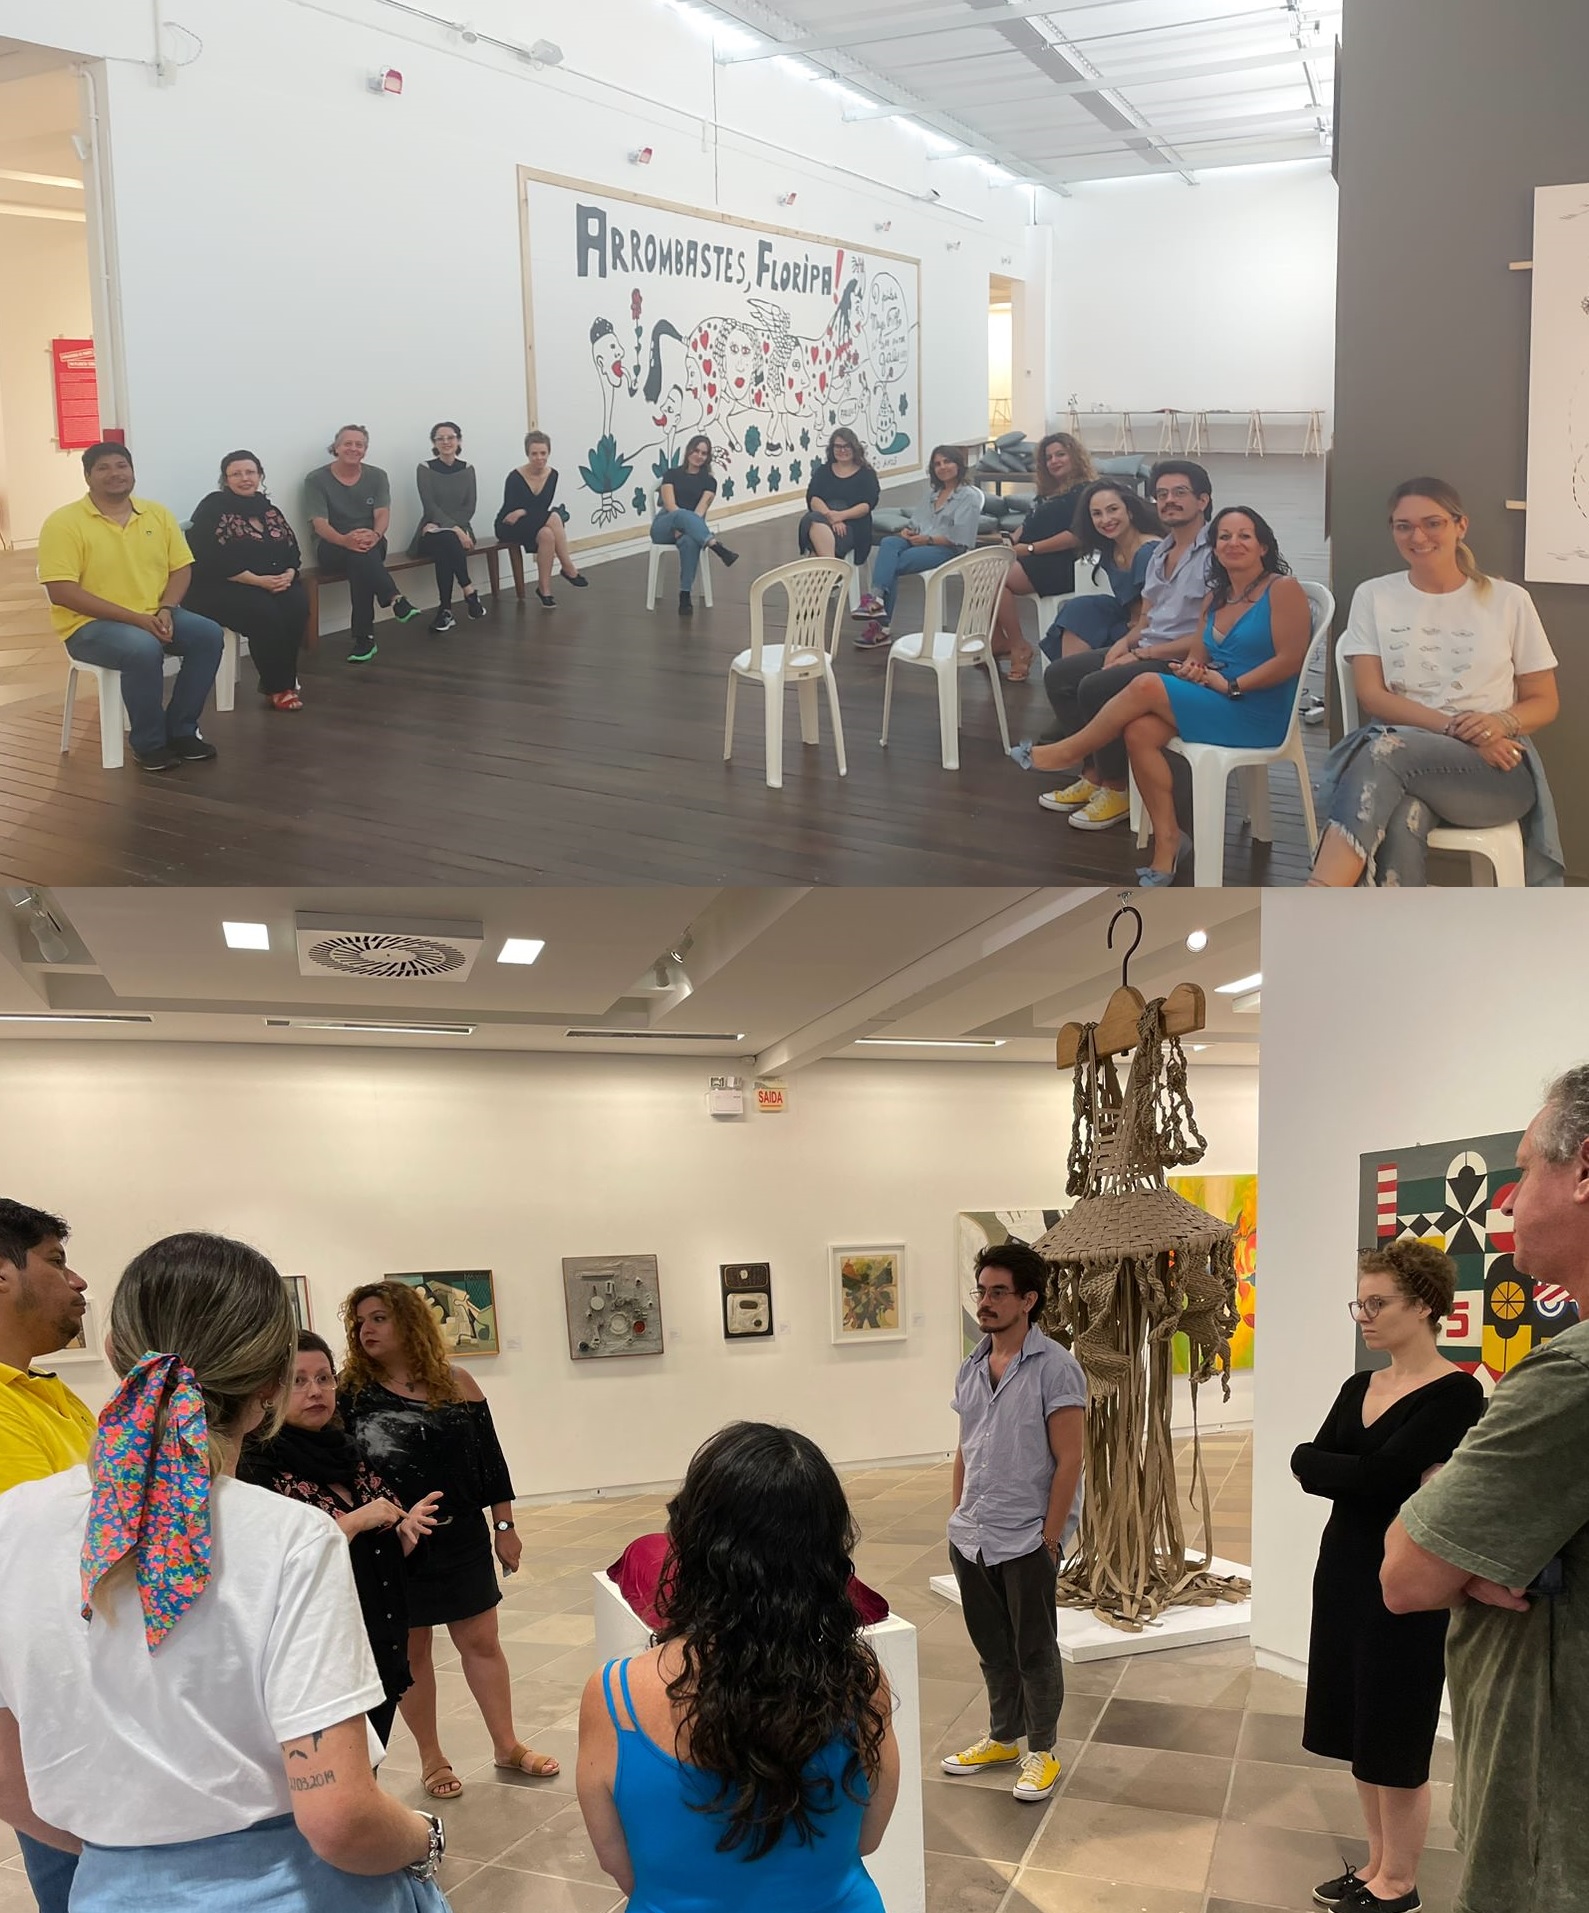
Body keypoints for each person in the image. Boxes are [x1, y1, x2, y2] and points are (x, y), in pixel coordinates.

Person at [0, 1232, 448, 1912]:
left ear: (116, 1354)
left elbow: (12, 1783)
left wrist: (134, 1863)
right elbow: (340, 1818)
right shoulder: (291, 1539)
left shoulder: (12, 1523)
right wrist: (425, 1836)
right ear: (271, 1385)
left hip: (111, 1889)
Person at [1382, 1067, 1589, 1913]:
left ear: (1583, 1170)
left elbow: (1405, 1573)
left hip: (1550, 1816)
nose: (1506, 1197)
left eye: (1525, 1167)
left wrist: (1452, 1538)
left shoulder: (1570, 1377)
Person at [576, 1421, 899, 1912]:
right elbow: (868, 1839)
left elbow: (619, 1866)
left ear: (689, 1541)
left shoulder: (614, 1695)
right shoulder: (859, 1682)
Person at [1292, 1242, 1484, 1913]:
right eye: (1360, 1303)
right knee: (1356, 1725)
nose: (1365, 1316)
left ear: (1424, 1305)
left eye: (1378, 1302)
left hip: (1405, 1579)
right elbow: (1308, 1463)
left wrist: (1341, 1468)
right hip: (1342, 1570)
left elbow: (1354, 1471)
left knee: (1394, 1729)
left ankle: (1398, 1882)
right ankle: (1374, 1865)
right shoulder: (1358, 1387)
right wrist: (1360, 1471)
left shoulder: (1457, 1393)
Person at [1014, 505, 1311, 885]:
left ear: (1263, 546)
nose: (1233, 543)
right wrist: (1193, 670)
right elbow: (1198, 656)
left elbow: (1290, 660)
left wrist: (1234, 685)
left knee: (1146, 684)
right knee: (1138, 730)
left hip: (1257, 709)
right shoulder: (1217, 598)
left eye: (1244, 536)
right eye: (1224, 536)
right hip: (1218, 696)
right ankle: (1168, 841)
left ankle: (1070, 751)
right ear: (1215, 547)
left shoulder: (1282, 589)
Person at [339, 1282, 558, 1798]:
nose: (366, 1329)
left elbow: (491, 1463)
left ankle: (506, 1745)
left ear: (409, 1322)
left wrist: (504, 1527)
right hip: (395, 1541)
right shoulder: (351, 1394)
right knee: (413, 1651)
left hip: (461, 1536)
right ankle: (432, 1758)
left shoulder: (457, 1383)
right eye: (360, 1322)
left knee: (482, 1642)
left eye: (378, 1318)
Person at [1310, 477, 1563, 886]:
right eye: (1404, 526)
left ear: (1460, 526)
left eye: (1433, 523)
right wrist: (1457, 730)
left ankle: (1319, 893)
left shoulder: (1509, 600)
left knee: (1384, 751)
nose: (1418, 536)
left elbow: (1544, 700)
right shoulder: (1373, 595)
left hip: (1494, 768)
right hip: (1408, 756)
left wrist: (1497, 724)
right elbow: (1371, 694)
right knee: (1402, 815)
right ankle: (1399, 921)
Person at [240, 1330, 443, 1746]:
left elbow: (378, 1549)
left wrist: (405, 1537)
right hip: (318, 1658)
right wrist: (353, 1523)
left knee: (371, 1760)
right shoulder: (256, 1467)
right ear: (269, 1391)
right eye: (298, 1381)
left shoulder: (348, 1452)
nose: (315, 1391)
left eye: (323, 1378)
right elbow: (275, 1566)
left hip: (377, 1643)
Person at [941, 1242, 1084, 1803]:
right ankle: (1003, 1738)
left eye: (999, 1292)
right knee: (992, 1647)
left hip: (1026, 1538)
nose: (986, 1301)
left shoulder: (1056, 1368)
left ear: (1028, 1300)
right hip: (972, 1535)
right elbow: (965, 1447)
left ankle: (1042, 1750)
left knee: (1035, 1650)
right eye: (981, 1290)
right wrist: (958, 1514)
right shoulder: (972, 1365)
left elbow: (1069, 1459)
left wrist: (1050, 1537)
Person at [1032, 458, 1215, 831]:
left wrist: (1141, 653)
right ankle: (1094, 774)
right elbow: (1146, 617)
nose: (1169, 500)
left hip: (1181, 659)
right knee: (1060, 675)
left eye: (1180, 492)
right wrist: (1124, 643)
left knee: (1095, 686)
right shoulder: (1163, 552)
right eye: (1162, 494)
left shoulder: (1213, 555)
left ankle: (1116, 787)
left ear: (1203, 500)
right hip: (1148, 644)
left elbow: (1208, 635)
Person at [0, 1200, 95, 1913]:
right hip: (53, 1731)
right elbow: (46, 1580)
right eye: (57, 1262)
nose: (79, 1280)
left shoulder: (49, 1396)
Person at [37, 441, 224, 772]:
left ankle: (181, 730)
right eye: (103, 468)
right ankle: (149, 744)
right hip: (88, 625)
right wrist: (136, 619)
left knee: (208, 635)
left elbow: (181, 567)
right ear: (88, 476)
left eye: (121, 466)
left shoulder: (157, 514)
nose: (115, 473)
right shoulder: (63, 522)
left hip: (155, 613)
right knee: (142, 647)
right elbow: (61, 591)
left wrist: (167, 608)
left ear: (133, 472)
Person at [1037, 481, 1163, 823]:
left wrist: (1127, 642)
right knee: (1078, 610)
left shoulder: (1148, 551)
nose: (1106, 520)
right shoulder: (1110, 549)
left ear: (1130, 510)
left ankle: (1108, 777)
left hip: (1152, 632)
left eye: (1112, 510)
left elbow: (1151, 618)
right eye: (1097, 514)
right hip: (1128, 619)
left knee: (1088, 682)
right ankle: (1091, 769)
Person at [186, 450, 311, 712]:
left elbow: (292, 550)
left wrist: (289, 573)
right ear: (226, 479)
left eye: (250, 472)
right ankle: (279, 687)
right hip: (220, 585)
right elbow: (206, 557)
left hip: (271, 582)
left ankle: (282, 679)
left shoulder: (269, 510)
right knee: (263, 612)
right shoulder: (213, 507)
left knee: (297, 605)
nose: (244, 478)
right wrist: (257, 581)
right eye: (236, 474)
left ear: (260, 475)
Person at [304, 426, 419, 665]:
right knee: (360, 558)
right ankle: (394, 599)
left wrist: (375, 535)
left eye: (359, 445)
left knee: (361, 557)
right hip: (331, 545)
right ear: (336, 447)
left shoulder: (377, 476)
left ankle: (365, 639)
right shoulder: (316, 479)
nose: (353, 448)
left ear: (365, 450)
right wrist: (345, 540)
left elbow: (382, 513)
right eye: (348, 443)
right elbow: (320, 524)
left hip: (371, 542)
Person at [988, 432, 1096, 681]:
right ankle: (998, 639)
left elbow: (1077, 536)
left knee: (994, 576)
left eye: (1060, 454)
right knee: (984, 569)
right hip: (1034, 556)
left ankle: (1018, 646)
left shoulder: (1085, 491)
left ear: (1075, 456)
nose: (1054, 461)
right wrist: (1012, 540)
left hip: (1063, 562)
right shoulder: (1048, 491)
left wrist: (1030, 548)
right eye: (1049, 457)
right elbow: (1029, 523)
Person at [853, 444, 982, 648]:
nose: (942, 467)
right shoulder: (932, 494)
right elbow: (916, 523)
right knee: (889, 542)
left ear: (958, 465)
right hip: (921, 542)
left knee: (892, 564)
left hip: (948, 549)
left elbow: (961, 538)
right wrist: (907, 531)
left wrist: (928, 540)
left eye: (947, 462)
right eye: (937, 464)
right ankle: (877, 600)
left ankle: (881, 625)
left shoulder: (969, 497)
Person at [495, 430, 587, 608]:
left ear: (548, 453)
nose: (539, 458)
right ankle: (568, 567)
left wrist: (523, 511)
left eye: (543, 453)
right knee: (554, 517)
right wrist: (521, 512)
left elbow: (542, 506)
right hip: (509, 525)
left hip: (533, 521)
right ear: (527, 454)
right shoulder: (515, 477)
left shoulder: (553, 475)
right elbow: (510, 511)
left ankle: (544, 590)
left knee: (547, 534)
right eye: (534, 454)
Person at [409, 422, 487, 635]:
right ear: (434, 443)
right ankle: (469, 591)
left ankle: (445, 611)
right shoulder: (424, 468)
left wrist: (455, 529)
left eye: (450, 437)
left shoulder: (468, 469)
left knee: (446, 546)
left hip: (458, 530)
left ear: (458, 440)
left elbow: (469, 507)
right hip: (431, 530)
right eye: (440, 438)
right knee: (447, 540)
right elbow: (429, 505)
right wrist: (456, 530)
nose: (445, 442)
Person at [651, 434, 738, 616]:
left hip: (690, 531)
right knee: (681, 514)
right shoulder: (672, 474)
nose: (699, 456)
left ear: (707, 457)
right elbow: (670, 505)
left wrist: (685, 529)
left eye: (704, 453)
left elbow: (700, 512)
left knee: (690, 542)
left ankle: (685, 595)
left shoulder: (710, 482)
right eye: (696, 451)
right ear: (689, 450)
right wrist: (680, 525)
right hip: (665, 526)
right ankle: (715, 545)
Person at [799, 427, 881, 569]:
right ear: (832, 449)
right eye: (837, 446)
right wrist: (831, 517)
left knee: (816, 550)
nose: (842, 450)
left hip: (854, 525)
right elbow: (814, 498)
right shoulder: (823, 471)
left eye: (846, 446)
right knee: (812, 520)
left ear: (854, 448)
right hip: (824, 519)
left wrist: (841, 516)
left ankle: (828, 573)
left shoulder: (866, 474)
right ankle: (832, 570)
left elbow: (866, 505)